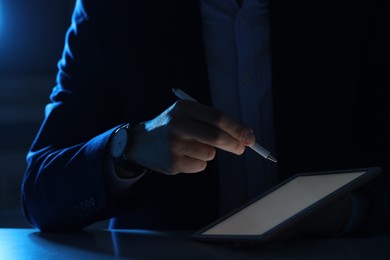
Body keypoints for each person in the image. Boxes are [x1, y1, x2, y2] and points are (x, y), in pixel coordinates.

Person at [21, 0, 390, 237]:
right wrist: (129, 147)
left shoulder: (358, 11)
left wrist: (351, 212)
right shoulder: (113, 12)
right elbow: (40, 194)